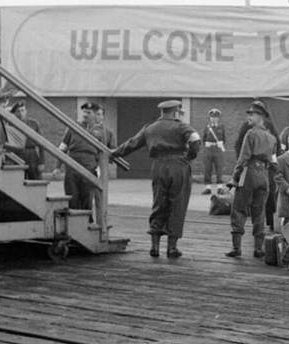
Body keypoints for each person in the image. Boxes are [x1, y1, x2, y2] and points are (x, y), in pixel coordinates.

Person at [111, 100, 200, 258]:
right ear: (175, 112)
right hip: (178, 166)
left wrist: (115, 153)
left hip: (158, 167)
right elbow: (195, 139)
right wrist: (190, 156)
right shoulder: (180, 126)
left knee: (159, 203)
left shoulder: (149, 128)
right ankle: (172, 248)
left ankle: (155, 246)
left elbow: (132, 144)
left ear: (161, 112)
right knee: (177, 205)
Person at [226, 101, 278, 258]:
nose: (248, 117)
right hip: (264, 176)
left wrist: (235, 178)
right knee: (259, 211)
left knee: (239, 208)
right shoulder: (272, 138)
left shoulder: (251, 134)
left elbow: (243, 159)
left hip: (249, 173)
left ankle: (237, 248)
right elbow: (274, 162)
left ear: (260, 117)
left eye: (252, 114)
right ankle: (258, 249)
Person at [53, 102, 109, 210]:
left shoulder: (101, 132)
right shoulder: (73, 127)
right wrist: (57, 167)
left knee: (87, 198)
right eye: (84, 112)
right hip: (72, 166)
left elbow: (103, 154)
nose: (85, 114)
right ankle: (72, 224)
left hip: (89, 167)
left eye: (89, 112)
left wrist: (101, 172)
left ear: (94, 115)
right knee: (71, 197)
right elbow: (62, 149)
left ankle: (85, 224)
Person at [10, 101, 45, 180]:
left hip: (32, 156)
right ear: (14, 113)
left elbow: (42, 144)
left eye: (22, 110)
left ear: (26, 111)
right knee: (18, 181)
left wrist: (42, 162)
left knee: (36, 181)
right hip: (17, 155)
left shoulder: (33, 124)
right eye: (18, 111)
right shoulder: (10, 125)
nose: (21, 113)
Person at [201, 108, 226, 195]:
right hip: (208, 149)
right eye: (212, 117)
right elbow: (203, 139)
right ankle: (208, 188)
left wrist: (219, 145)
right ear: (210, 118)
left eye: (216, 117)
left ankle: (220, 188)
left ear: (218, 118)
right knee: (207, 168)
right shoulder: (206, 128)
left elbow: (224, 139)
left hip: (218, 149)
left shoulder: (221, 127)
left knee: (219, 168)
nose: (214, 119)